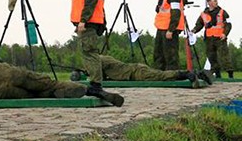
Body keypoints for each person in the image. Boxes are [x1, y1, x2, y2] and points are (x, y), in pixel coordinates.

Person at [0, 39, 124, 106]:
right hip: (9, 72)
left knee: (36, 94)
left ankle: (57, 93)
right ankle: (92, 91)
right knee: (48, 84)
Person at [64, 0, 124, 105]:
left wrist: (83, 20)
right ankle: (95, 84)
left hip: (89, 21)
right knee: (88, 52)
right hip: (91, 20)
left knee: (89, 53)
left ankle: (96, 85)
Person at [75, 54, 212, 86]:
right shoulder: (102, 60)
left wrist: (87, 72)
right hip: (135, 71)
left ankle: (189, 74)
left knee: (162, 76)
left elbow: (98, 74)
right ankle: (193, 73)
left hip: (136, 73)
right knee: (161, 75)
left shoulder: (101, 60)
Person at [192, 0, 234, 78]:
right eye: (214, 0)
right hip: (209, 38)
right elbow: (199, 25)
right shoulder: (203, 14)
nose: (216, 2)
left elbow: (228, 24)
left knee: (224, 56)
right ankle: (217, 74)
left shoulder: (222, 12)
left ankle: (230, 75)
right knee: (211, 57)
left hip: (220, 38)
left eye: (216, 0)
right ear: (209, 2)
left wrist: (225, 34)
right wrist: (193, 30)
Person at [153, 0, 184, 71]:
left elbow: (176, 13)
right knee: (158, 53)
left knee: (171, 55)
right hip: (161, 28)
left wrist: (171, 29)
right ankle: (160, 75)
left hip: (169, 29)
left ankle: (172, 75)